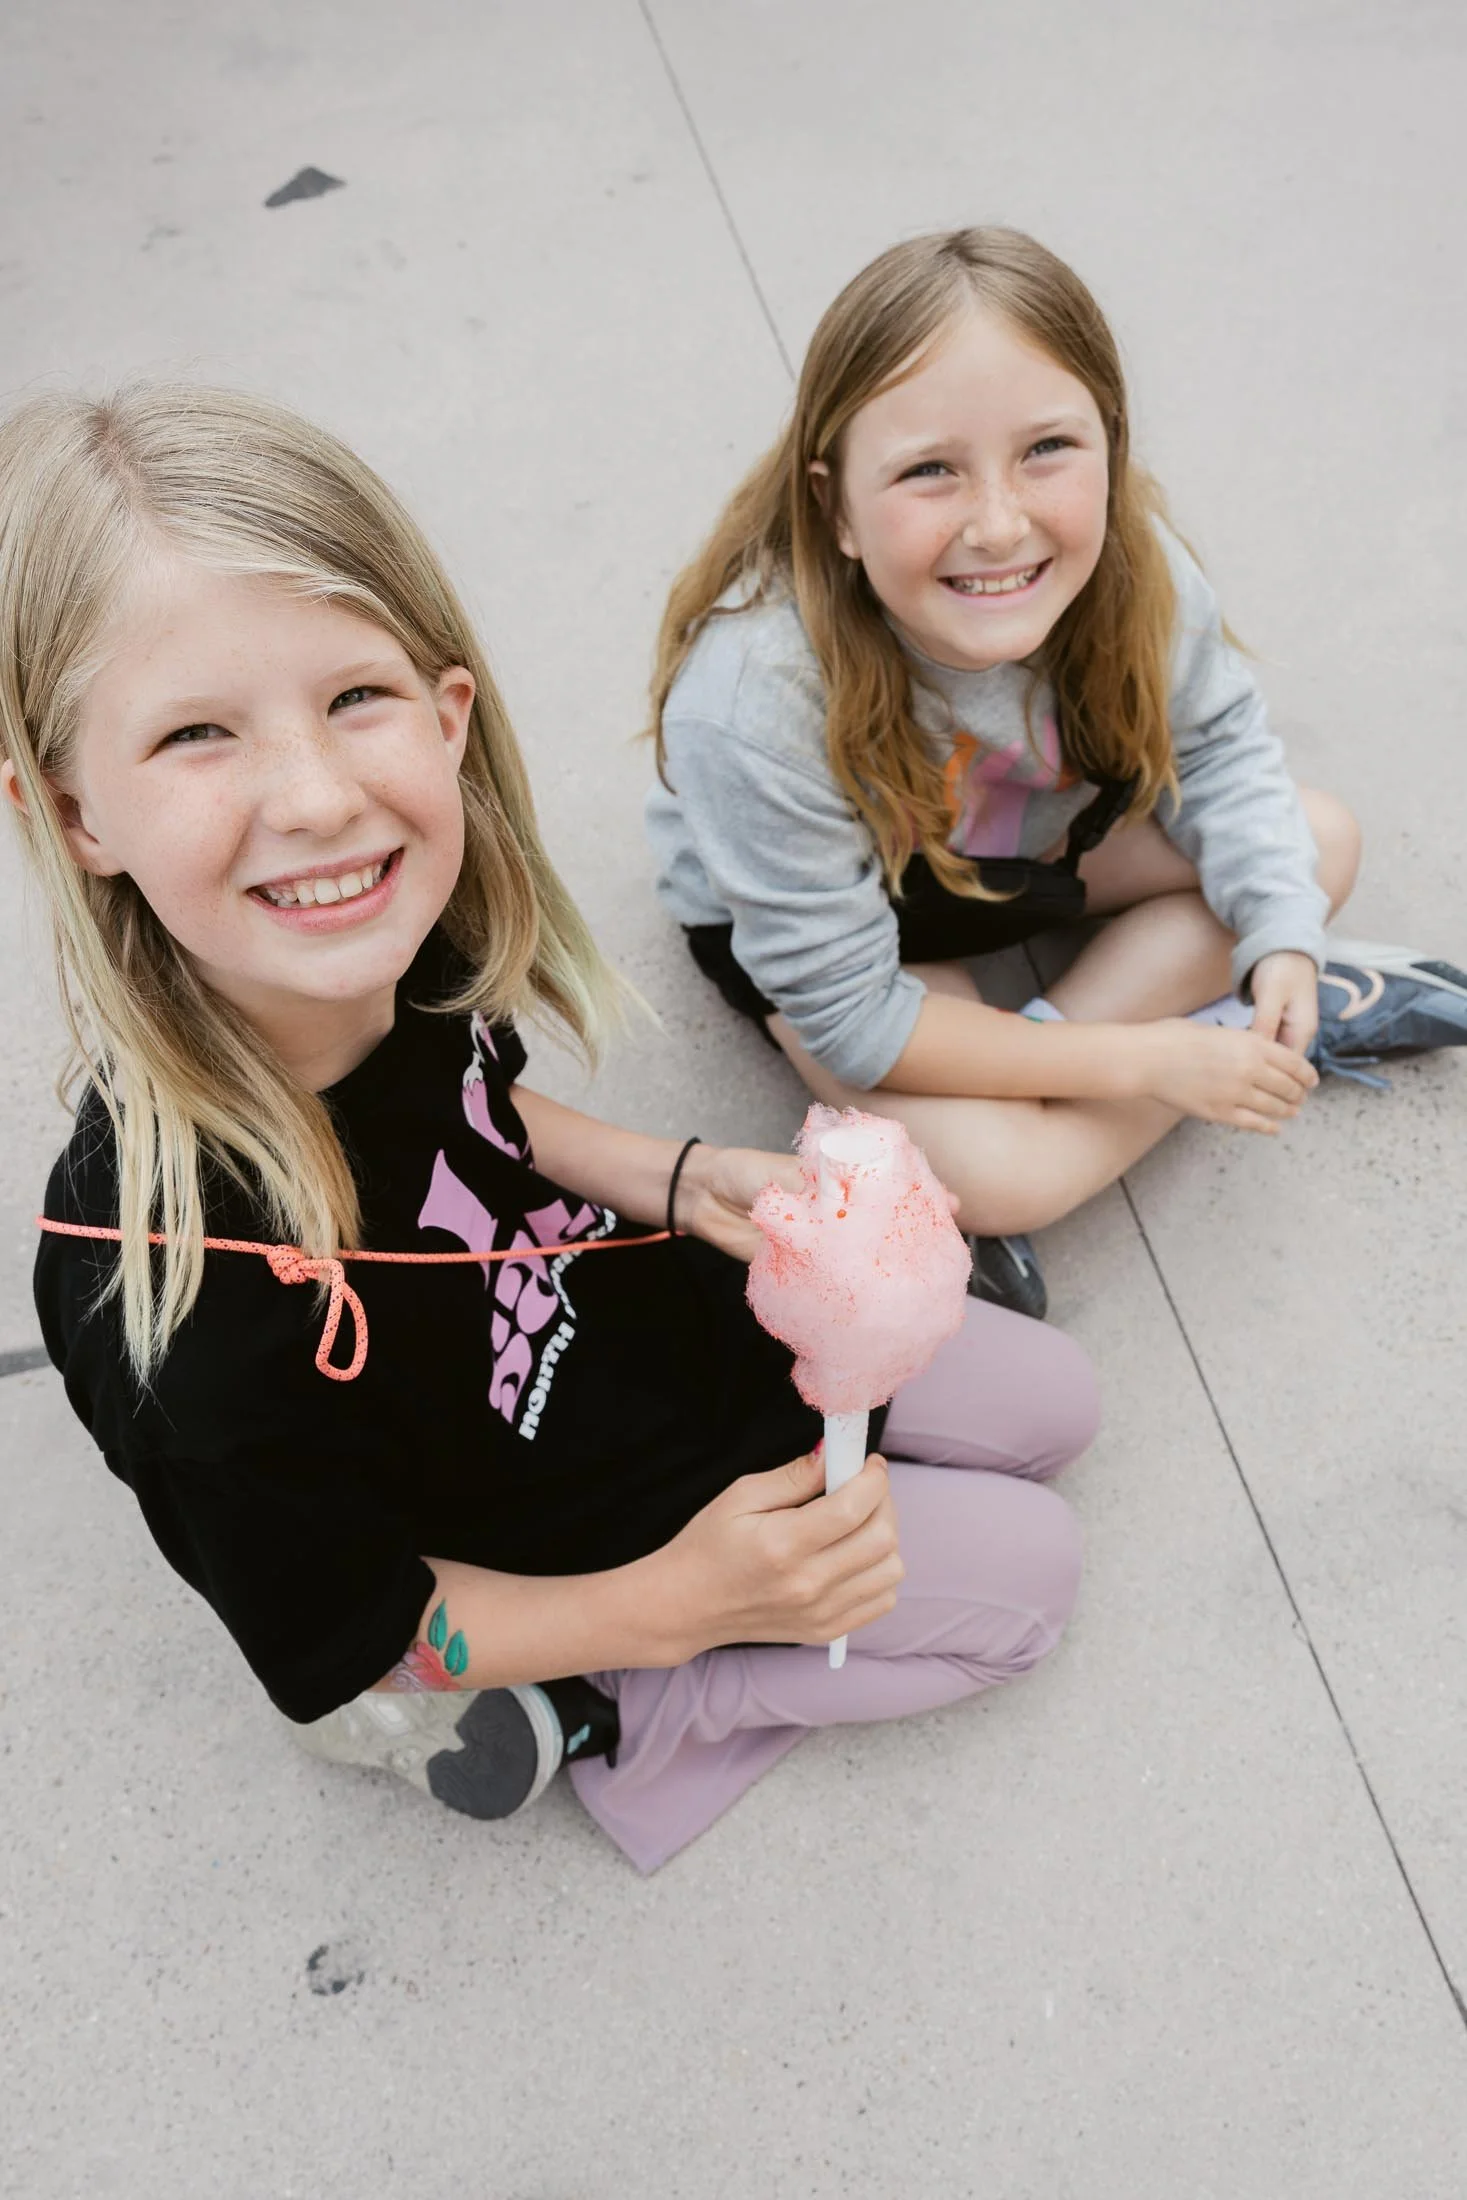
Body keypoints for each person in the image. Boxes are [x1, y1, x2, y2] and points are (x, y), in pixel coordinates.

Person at [2, 385, 1098, 1876]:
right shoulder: (177, 1314)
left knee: (1052, 1406)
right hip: (562, 1538)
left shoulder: (395, 932)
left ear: (447, 715)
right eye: (197, 734)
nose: (317, 799)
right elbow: (353, 1621)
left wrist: (681, 1175)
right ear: (72, 814)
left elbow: (476, 1110)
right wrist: (688, 1604)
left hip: (638, 1336)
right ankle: (629, 1721)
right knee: (1028, 1585)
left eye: (353, 699)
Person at [646, 227, 1467, 1321]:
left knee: (1312, 848)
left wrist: (1279, 937)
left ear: (1112, 446)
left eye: (1048, 450)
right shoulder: (750, 699)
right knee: (999, 1174)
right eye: (930, 469)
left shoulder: (1137, 568)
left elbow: (1223, 751)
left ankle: (1241, 1014)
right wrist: (1151, 1064)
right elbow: (853, 1016)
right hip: (860, 921)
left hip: (1017, 841)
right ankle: (1230, 1042)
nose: (999, 522)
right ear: (835, 504)